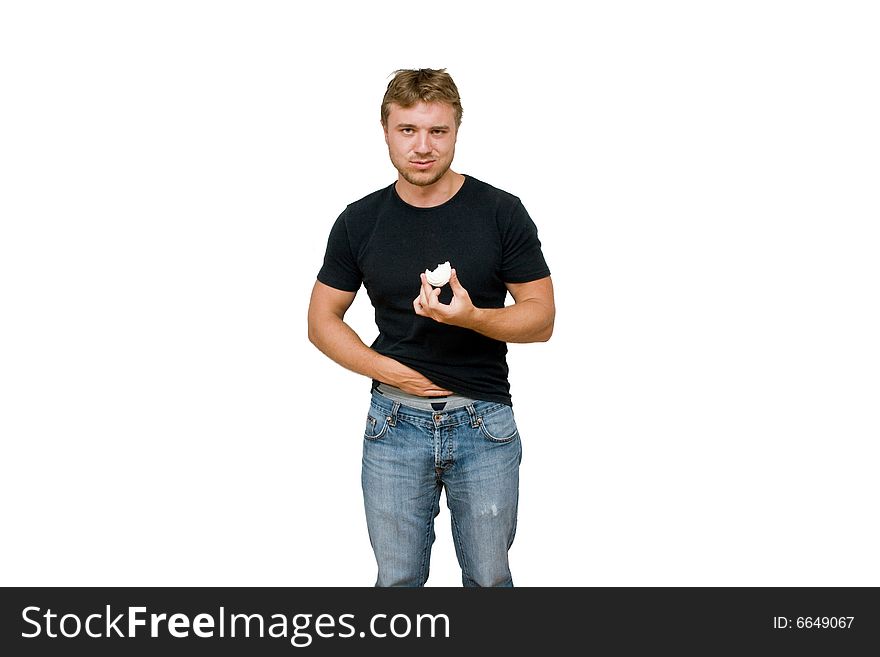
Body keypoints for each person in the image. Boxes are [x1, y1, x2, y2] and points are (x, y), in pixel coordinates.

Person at [307, 68, 554, 587]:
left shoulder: (500, 212)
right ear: (386, 131)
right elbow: (321, 320)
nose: (423, 146)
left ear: (456, 132)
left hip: (483, 422)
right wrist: (392, 372)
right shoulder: (359, 220)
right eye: (408, 130)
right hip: (394, 424)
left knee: (489, 583)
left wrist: (473, 318)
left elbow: (541, 317)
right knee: (396, 583)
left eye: (437, 131)